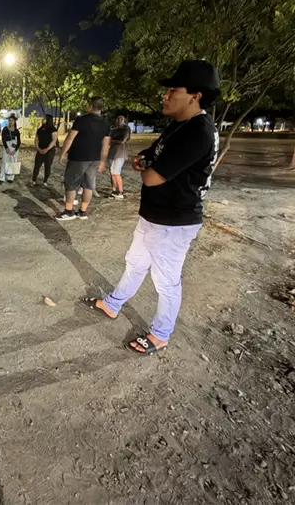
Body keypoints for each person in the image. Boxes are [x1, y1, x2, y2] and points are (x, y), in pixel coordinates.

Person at [88, 60, 220, 355]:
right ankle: (113, 304)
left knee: (166, 281)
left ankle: (161, 334)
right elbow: (151, 154)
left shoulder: (198, 131)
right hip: (155, 215)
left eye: (174, 89)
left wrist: (146, 167)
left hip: (175, 221)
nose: (166, 95)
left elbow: (152, 176)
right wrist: (145, 160)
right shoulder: (179, 125)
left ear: (195, 95)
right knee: (135, 263)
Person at [56, 98, 110, 221]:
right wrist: (103, 161)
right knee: (89, 185)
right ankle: (83, 211)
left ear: (90, 106)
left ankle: (69, 211)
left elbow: (70, 138)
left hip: (78, 157)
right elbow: (106, 144)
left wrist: (62, 153)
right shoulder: (105, 123)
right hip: (95, 159)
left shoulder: (82, 120)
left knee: (71, 184)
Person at [108, 114, 133, 199]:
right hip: (112, 153)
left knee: (116, 173)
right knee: (112, 173)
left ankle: (120, 191)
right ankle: (114, 190)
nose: (119, 120)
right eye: (118, 118)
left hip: (120, 153)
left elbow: (122, 141)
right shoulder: (113, 129)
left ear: (124, 120)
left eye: (121, 119)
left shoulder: (126, 129)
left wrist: (111, 140)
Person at [32, 114, 59, 185]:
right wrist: (38, 148)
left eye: (44, 118)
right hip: (40, 150)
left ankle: (45, 181)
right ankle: (34, 180)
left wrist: (47, 149)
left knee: (47, 166)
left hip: (49, 152)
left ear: (48, 120)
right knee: (36, 166)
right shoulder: (40, 129)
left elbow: (54, 140)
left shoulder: (53, 130)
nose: (43, 120)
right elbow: (36, 139)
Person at [0, 114, 21, 185]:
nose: (10, 122)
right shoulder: (5, 129)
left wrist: (15, 150)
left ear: (14, 121)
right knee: (4, 162)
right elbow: (3, 139)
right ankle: (1, 178)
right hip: (6, 148)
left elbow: (19, 142)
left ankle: (10, 178)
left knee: (13, 162)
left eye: (12, 120)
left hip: (14, 149)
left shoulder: (17, 131)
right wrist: (7, 148)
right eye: (9, 120)